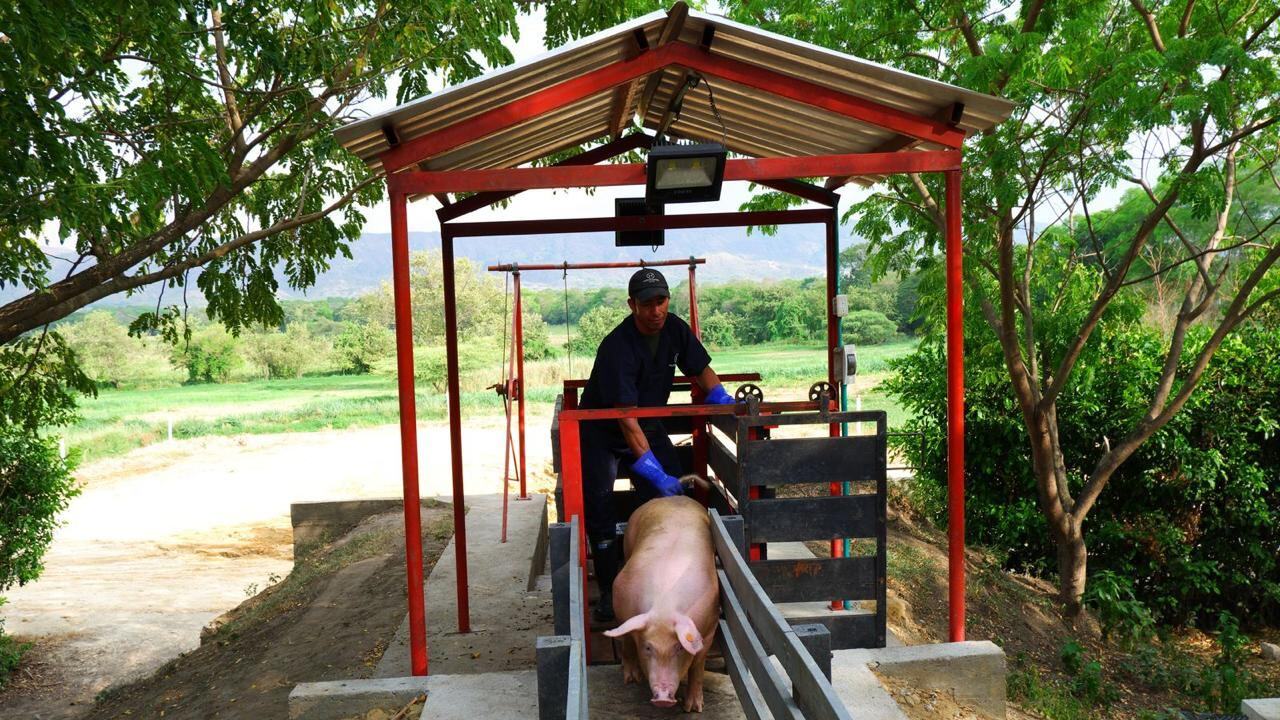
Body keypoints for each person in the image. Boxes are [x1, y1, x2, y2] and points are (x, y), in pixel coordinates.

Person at [577, 267, 736, 620]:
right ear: (632, 304)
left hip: (646, 424)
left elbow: (701, 368)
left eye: (661, 301)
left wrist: (721, 397)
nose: (656, 310)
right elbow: (625, 419)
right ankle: (610, 592)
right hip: (602, 431)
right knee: (600, 509)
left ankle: (669, 582)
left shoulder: (674, 328)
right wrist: (652, 471)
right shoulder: (617, 347)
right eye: (647, 303)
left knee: (675, 500)